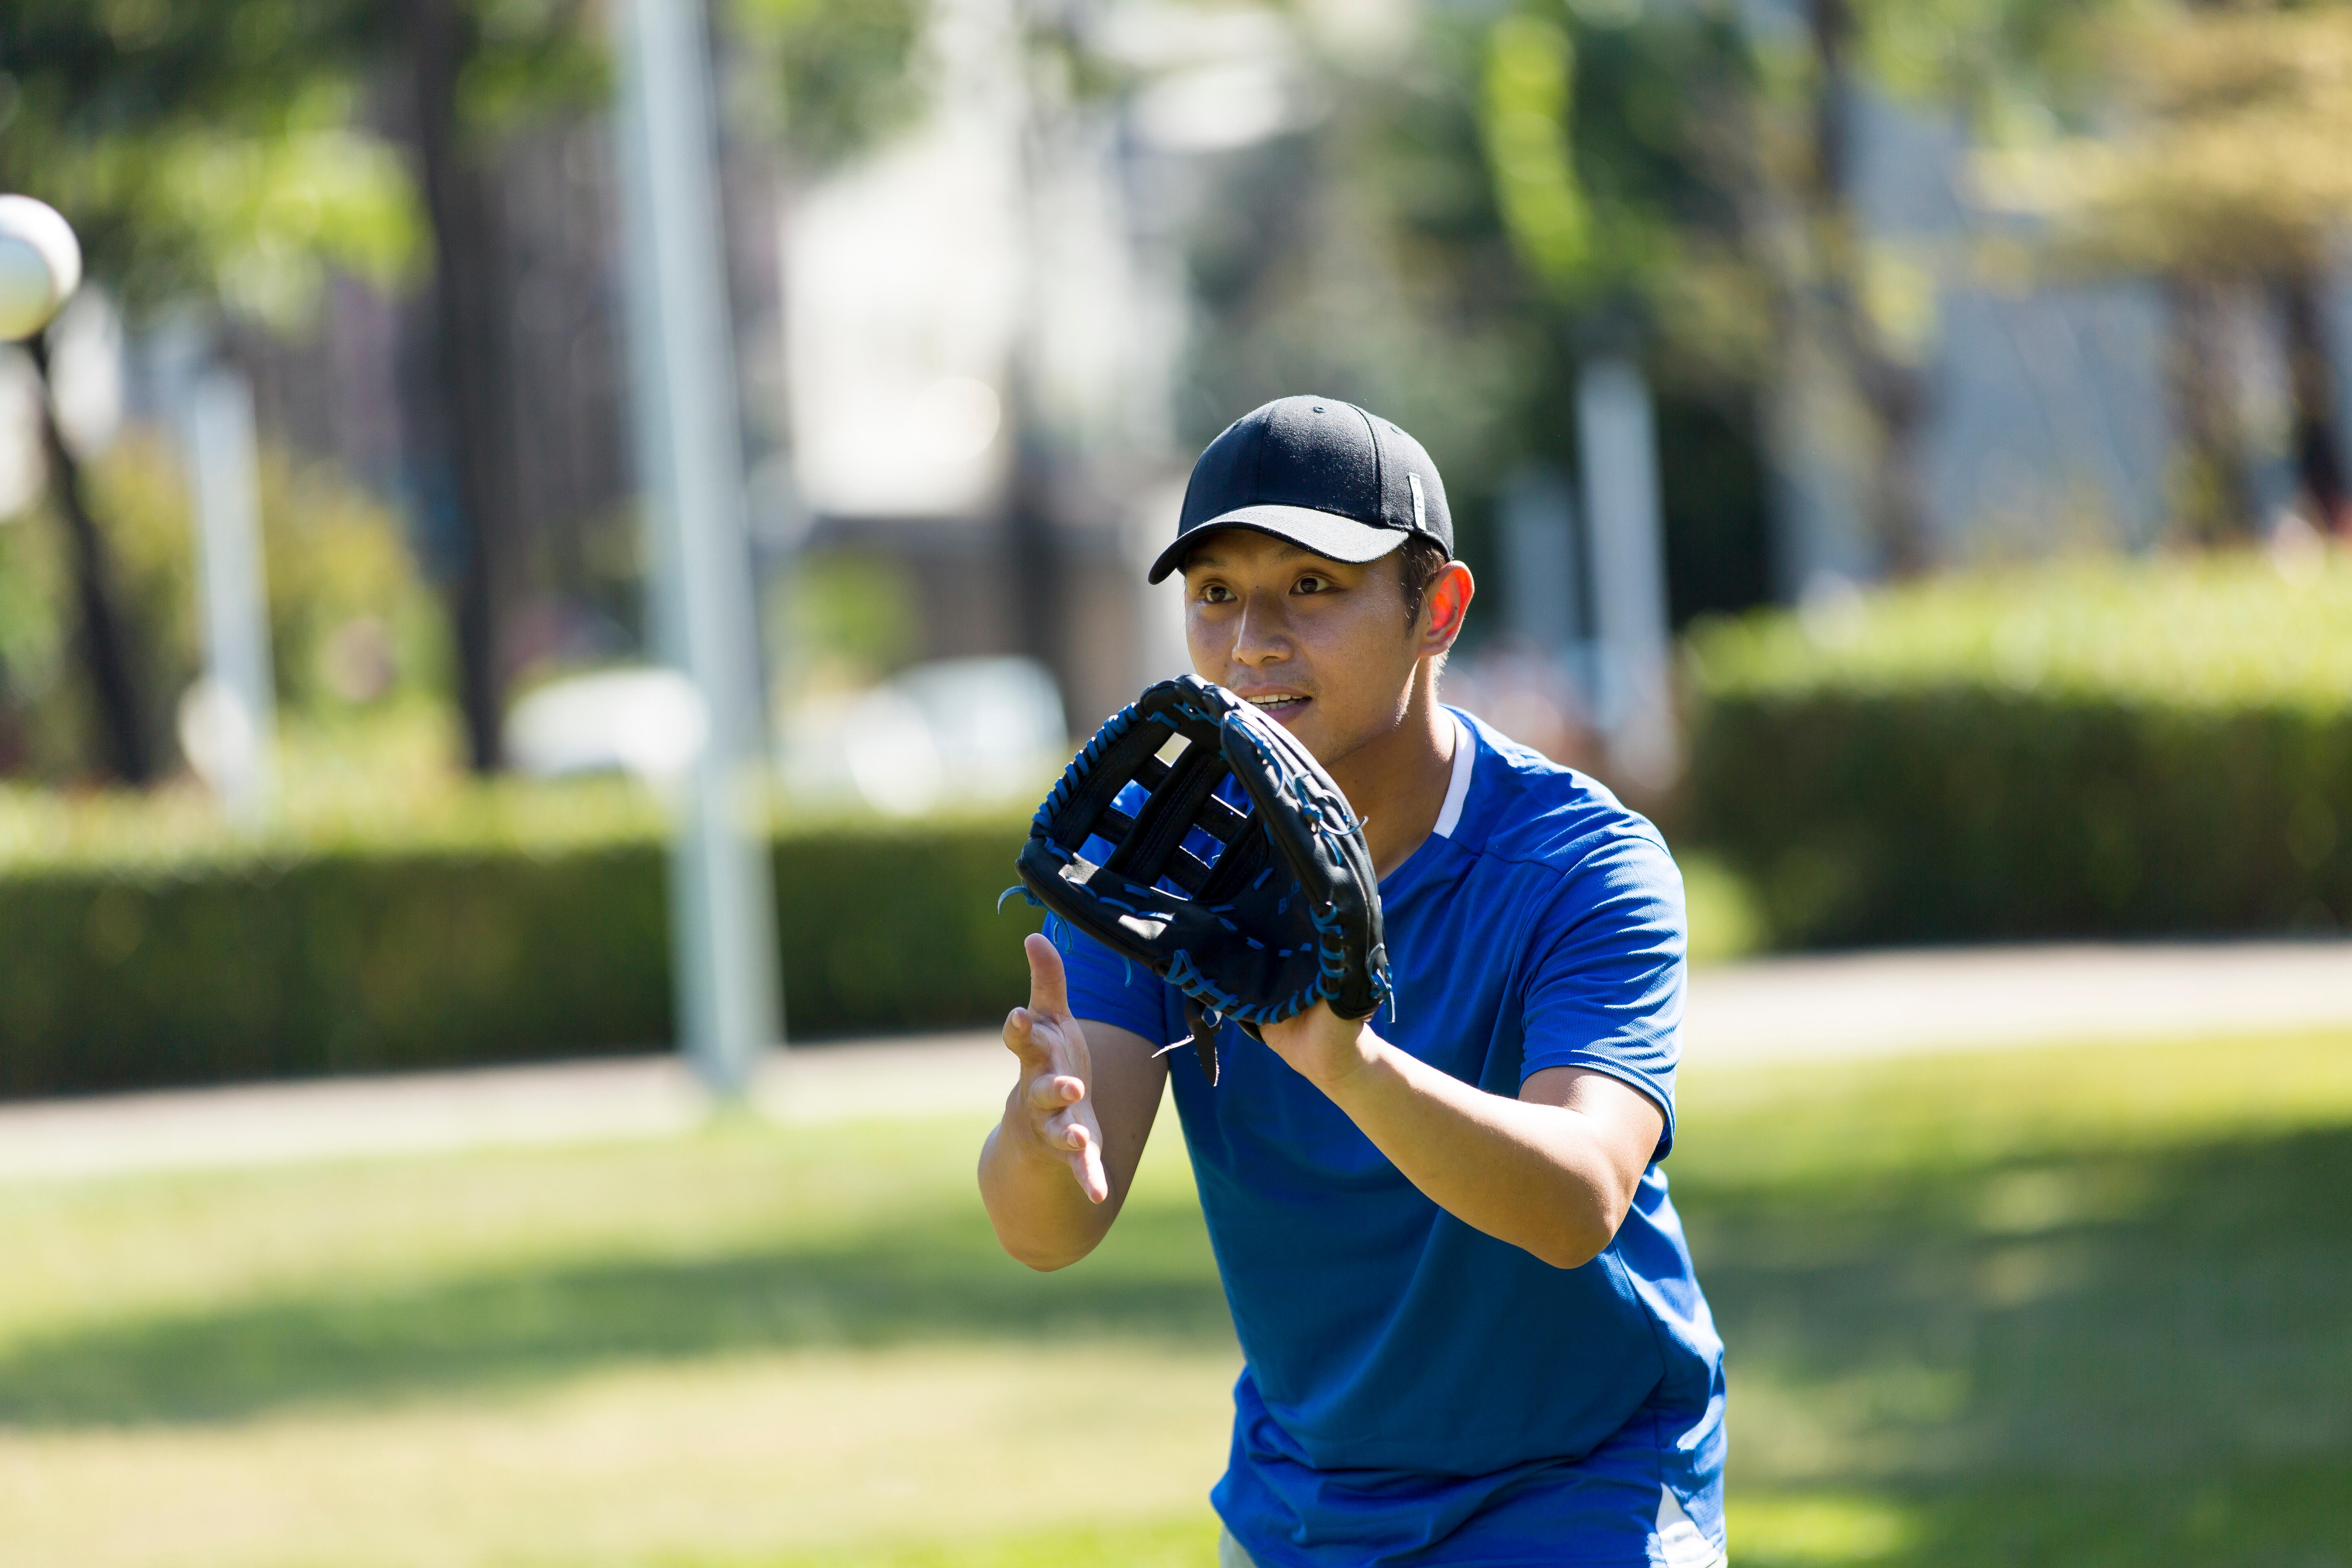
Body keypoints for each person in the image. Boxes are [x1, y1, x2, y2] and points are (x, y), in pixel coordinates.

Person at [977, 395, 1727, 1568]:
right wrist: (1038, 1130)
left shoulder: (1583, 865)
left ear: (1439, 609)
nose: (1252, 642)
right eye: (1216, 594)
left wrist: (1348, 1059)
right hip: (1305, 1502)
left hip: (1582, 1483)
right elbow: (1051, 1231)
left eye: (1312, 588)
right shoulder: (1163, 862)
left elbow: (1580, 1200)